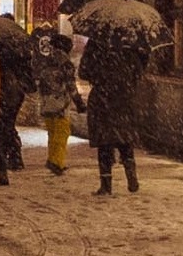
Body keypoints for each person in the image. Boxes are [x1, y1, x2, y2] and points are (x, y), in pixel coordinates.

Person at [78, 29, 148, 196]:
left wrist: (99, 76)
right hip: (124, 97)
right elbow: (140, 69)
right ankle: (131, 177)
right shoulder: (132, 43)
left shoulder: (96, 43)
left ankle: (106, 184)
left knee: (104, 142)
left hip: (102, 97)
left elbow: (83, 71)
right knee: (125, 138)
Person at [0, 16, 33, 182]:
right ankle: (14, 156)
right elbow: (27, 68)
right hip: (15, 92)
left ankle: (1, 159)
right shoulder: (19, 46)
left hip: (0, 90)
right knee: (8, 125)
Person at [34, 32, 77, 175]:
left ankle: (52, 158)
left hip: (47, 103)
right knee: (62, 133)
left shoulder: (46, 61)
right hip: (60, 104)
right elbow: (71, 85)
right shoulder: (65, 63)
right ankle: (57, 162)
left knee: (52, 133)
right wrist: (79, 102)